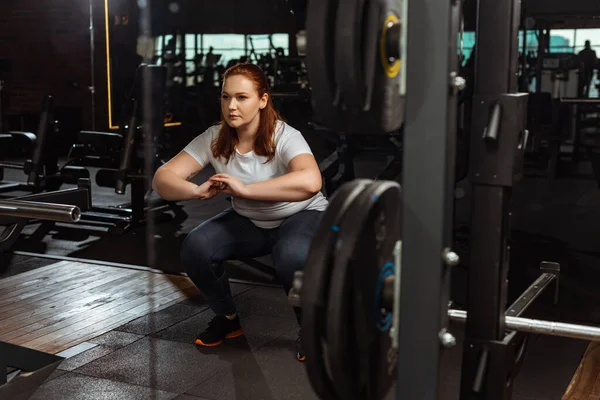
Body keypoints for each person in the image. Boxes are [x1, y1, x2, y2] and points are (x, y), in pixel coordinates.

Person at [152, 63, 328, 361]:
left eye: (242, 97)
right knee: (196, 247)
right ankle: (228, 320)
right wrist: (195, 191)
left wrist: (244, 190)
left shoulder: (285, 135)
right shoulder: (215, 138)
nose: (231, 106)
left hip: (301, 215)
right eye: (225, 97)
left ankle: (311, 328)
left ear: (263, 100)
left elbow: (311, 181)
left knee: (290, 257)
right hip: (252, 221)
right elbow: (162, 179)